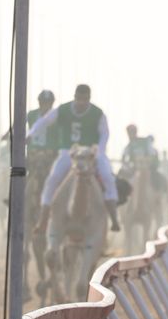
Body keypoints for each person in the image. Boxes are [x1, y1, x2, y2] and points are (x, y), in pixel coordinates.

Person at [31, 83, 120, 232]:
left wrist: (99, 151)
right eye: (79, 99)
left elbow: (105, 133)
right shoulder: (63, 109)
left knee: (107, 177)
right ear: (75, 97)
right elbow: (45, 121)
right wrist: (30, 134)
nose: (81, 103)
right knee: (53, 178)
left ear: (89, 99)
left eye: (84, 100)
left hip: (92, 152)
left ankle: (114, 218)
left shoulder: (98, 113)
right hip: (69, 152)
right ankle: (43, 218)